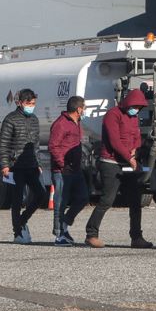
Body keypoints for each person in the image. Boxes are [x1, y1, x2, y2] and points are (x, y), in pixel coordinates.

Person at [84, 89, 154, 249]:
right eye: (134, 106)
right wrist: (129, 158)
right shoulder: (112, 115)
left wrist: (135, 150)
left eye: (139, 107)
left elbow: (136, 136)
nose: (136, 109)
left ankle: (137, 237)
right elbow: (115, 141)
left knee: (135, 200)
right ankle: (91, 234)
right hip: (111, 162)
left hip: (128, 164)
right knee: (107, 199)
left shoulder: (134, 117)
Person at [0, 88, 45, 244]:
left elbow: (36, 144)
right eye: (28, 103)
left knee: (41, 194)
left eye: (33, 103)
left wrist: (38, 162)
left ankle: (22, 219)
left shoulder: (34, 120)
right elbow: (3, 143)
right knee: (17, 199)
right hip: (14, 166)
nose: (31, 106)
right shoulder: (10, 119)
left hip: (31, 165)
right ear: (20, 103)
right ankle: (17, 232)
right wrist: (4, 164)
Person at [47, 95, 91, 246]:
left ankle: (65, 224)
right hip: (62, 171)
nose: (84, 110)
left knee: (83, 197)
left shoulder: (77, 122)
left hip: (75, 169)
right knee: (60, 201)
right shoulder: (61, 124)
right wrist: (62, 164)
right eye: (84, 107)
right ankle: (59, 235)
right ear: (78, 109)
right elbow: (53, 146)